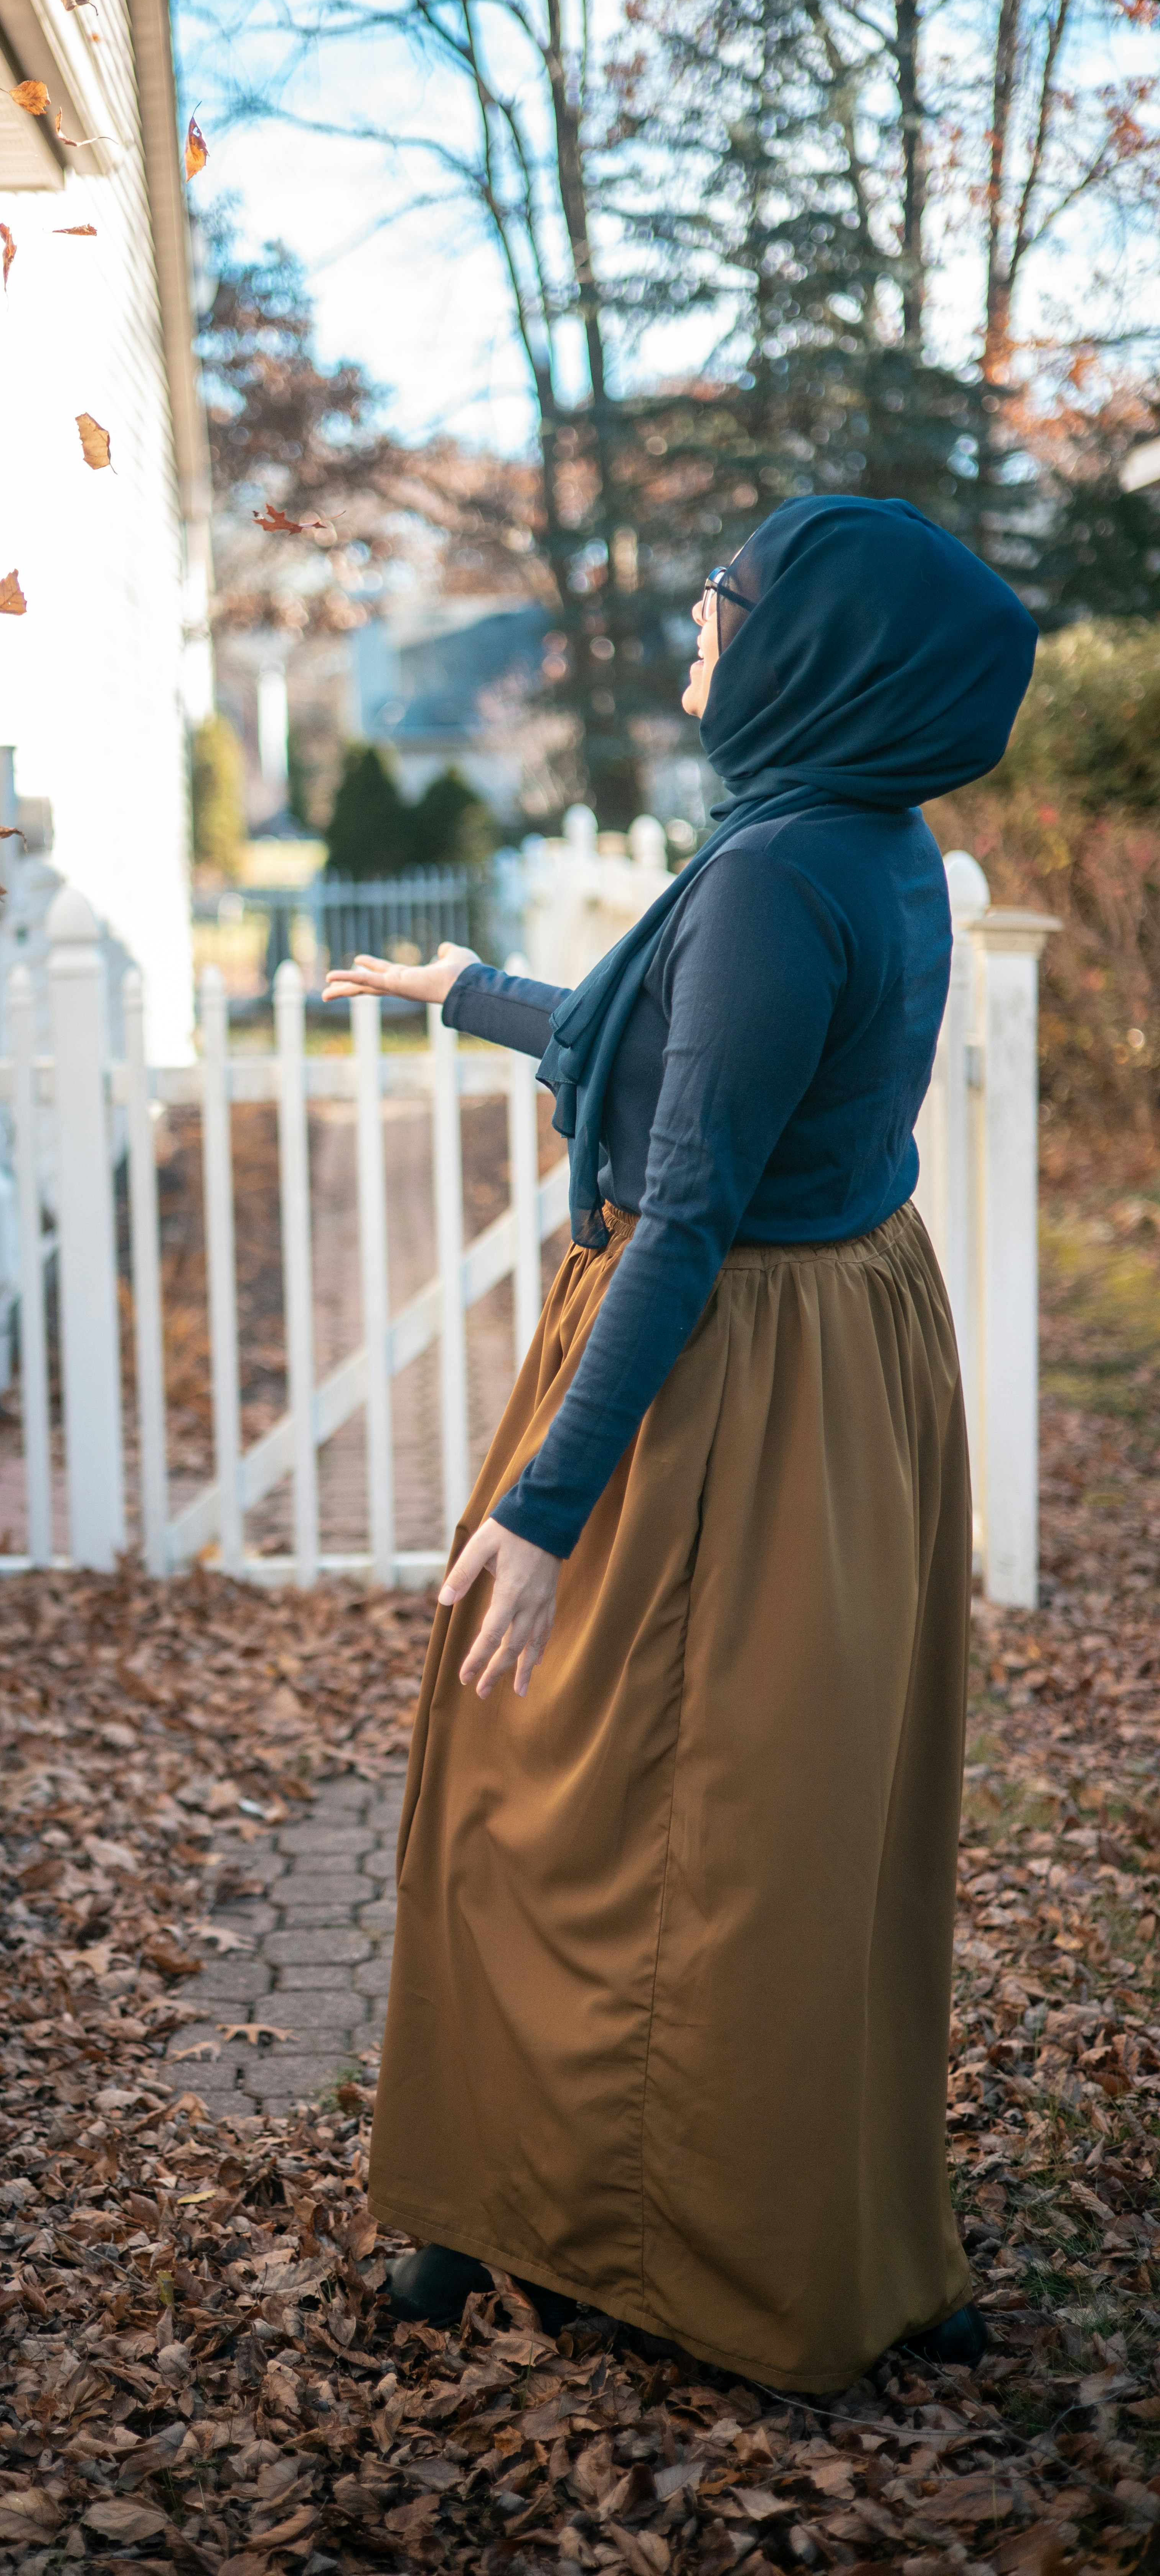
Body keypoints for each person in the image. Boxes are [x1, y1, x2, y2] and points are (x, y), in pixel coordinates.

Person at [320, 497, 1036, 2393]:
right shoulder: (868, 842)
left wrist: (548, 1503)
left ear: (814, 656)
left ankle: (599, 2228)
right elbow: (709, 1074)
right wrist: (467, 992)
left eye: (718, 618)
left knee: (583, 1802)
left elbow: (688, 1201)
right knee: (770, 1816)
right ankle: (693, 2206)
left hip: (724, 1368)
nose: (698, 649)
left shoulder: (773, 868)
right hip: (843, 1350)